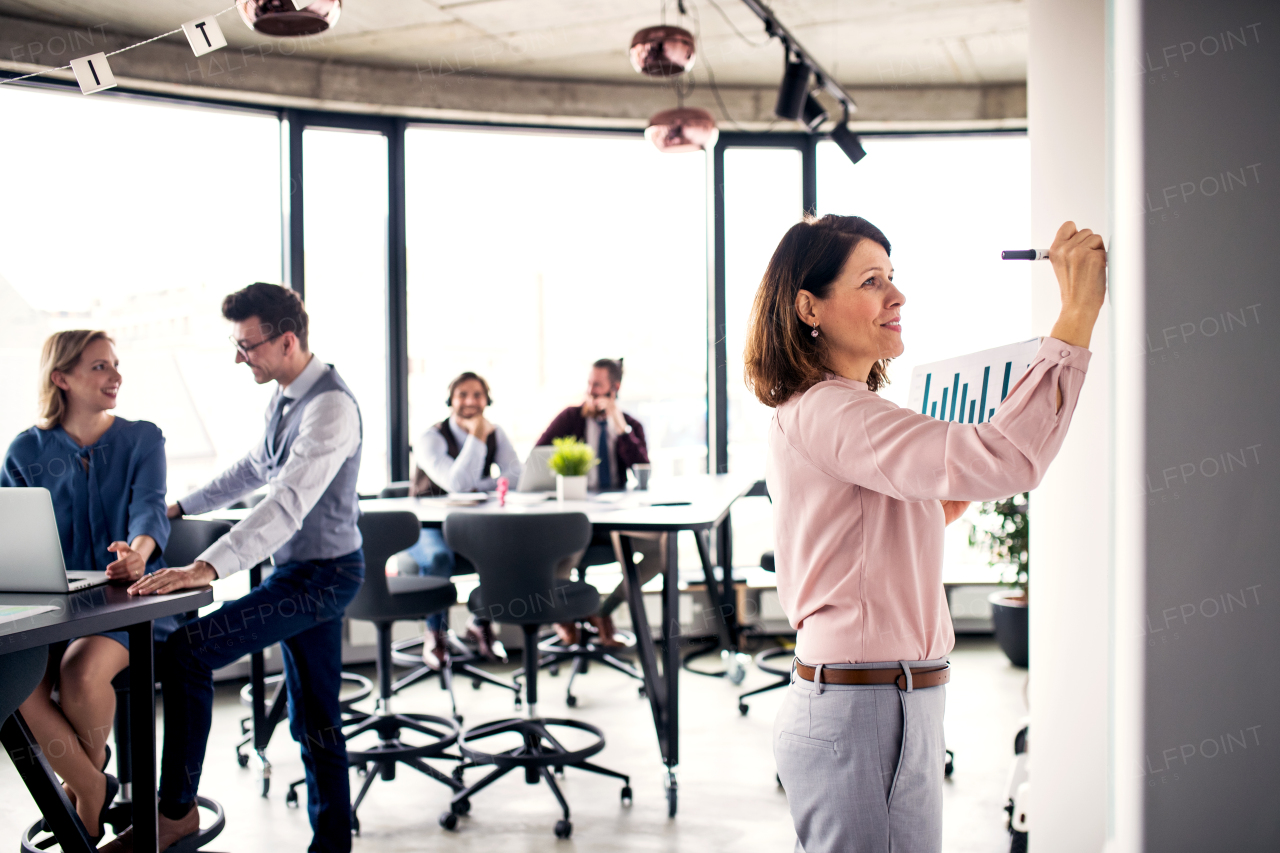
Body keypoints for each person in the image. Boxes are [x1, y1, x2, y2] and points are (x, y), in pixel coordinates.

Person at [745, 215, 1105, 852]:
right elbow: (1007, 459)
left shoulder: (833, 408)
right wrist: (1076, 311)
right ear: (809, 306)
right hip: (867, 705)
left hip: (879, 700)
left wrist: (949, 490)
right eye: (872, 280)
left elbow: (874, 527)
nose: (897, 296)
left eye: (894, 277)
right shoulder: (835, 410)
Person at [111, 283, 365, 853]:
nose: (238, 357)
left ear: (287, 340)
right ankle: (333, 843)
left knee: (188, 651)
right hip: (304, 572)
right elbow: (256, 467)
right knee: (316, 717)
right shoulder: (287, 393)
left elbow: (285, 504)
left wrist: (206, 567)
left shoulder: (330, 409)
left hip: (323, 577)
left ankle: (175, 813)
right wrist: (180, 507)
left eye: (247, 345)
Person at [2, 330, 170, 843]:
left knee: (79, 671)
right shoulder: (25, 449)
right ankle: (90, 784)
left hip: (127, 604)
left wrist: (137, 556)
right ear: (62, 378)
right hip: (52, 606)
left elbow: (151, 511)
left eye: (116, 364)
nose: (115, 376)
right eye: (99, 366)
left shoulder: (142, 438)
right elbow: (11, 532)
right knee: (13, 678)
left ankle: (82, 790)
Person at [535, 358, 660, 647]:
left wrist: (620, 427)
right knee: (563, 558)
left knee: (660, 552)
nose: (590, 391)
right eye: (589, 384)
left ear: (614, 388)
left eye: (597, 385)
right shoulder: (571, 418)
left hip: (615, 520)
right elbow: (538, 457)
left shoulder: (630, 425)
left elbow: (642, 471)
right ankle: (564, 618)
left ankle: (603, 611)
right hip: (577, 517)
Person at [406, 371, 521, 667]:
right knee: (439, 560)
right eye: (463, 394)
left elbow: (516, 476)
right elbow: (457, 483)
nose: (470, 401)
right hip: (426, 527)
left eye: (477, 394)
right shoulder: (430, 437)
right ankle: (435, 634)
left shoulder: (496, 433)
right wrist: (478, 436)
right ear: (451, 400)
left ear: (487, 400)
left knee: (503, 552)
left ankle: (481, 624)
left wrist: (481, 484)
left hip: (470, 524)